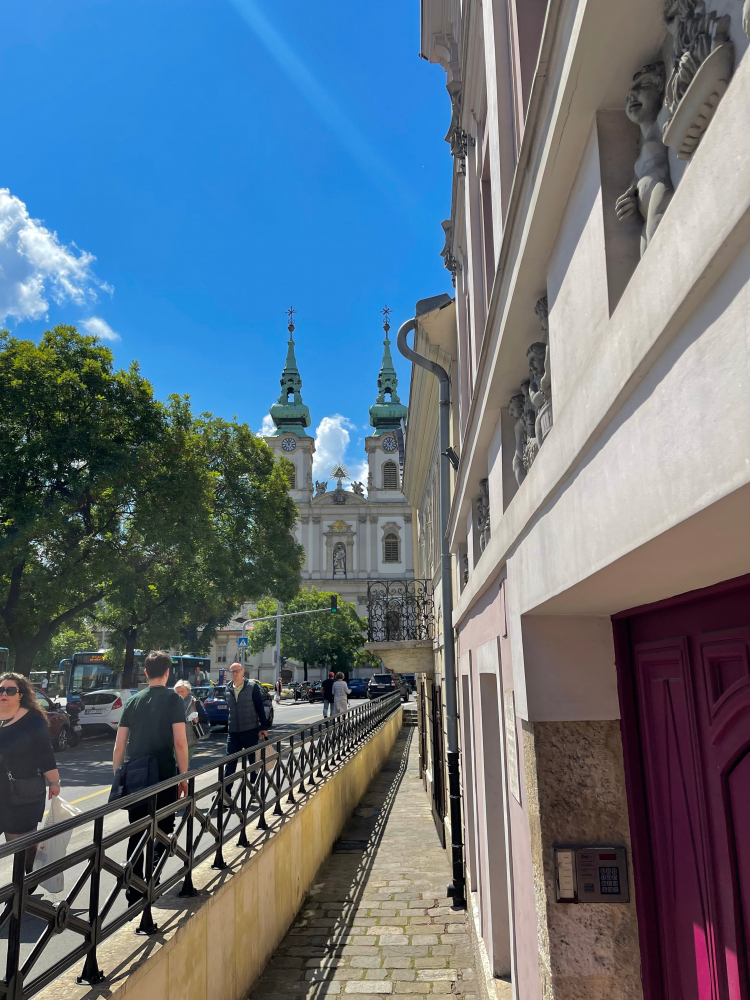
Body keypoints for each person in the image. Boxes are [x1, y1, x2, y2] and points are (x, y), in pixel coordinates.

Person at [113, 651, 188, 903]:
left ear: (145, 673)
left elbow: (119, 745)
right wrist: (183, 777)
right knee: (164, 828)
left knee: (137, 829)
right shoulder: (174, 699)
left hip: (136, 774)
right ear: (167, 673)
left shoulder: (133, 702)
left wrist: (119, 776)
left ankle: (134, 887)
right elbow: (180, 742)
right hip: (164, 772)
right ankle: (152, 877)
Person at [0, 673, 61, 872]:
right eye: (1, 690)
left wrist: (54, 782)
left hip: (23, 794)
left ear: (21, 694)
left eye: (10, 690)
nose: (4, 694)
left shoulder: (33, 721)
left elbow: (45, 754)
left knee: (23, 849)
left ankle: (26, 884)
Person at [226, 663, 268, 778]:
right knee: (230, 763)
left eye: (237, 671)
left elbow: (259, 707)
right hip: (233, 733)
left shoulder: (252, 686)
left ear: (242, 671)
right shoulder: (228, 688)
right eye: (232, 671)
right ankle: (226, 789)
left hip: (250, 731)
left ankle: (254, 787)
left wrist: (263, 727)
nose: (235, 673)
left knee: (253, 763)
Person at [174, 680, 200, 762]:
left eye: (182, 691)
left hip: (190, 738)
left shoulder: (194, 702)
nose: (180, 693)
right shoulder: (172, 702)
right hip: (174, 738)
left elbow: (204, 716)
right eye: (178, 692)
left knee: (185, 762)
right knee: (175, 762)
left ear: (188, 691)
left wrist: (197, 719)